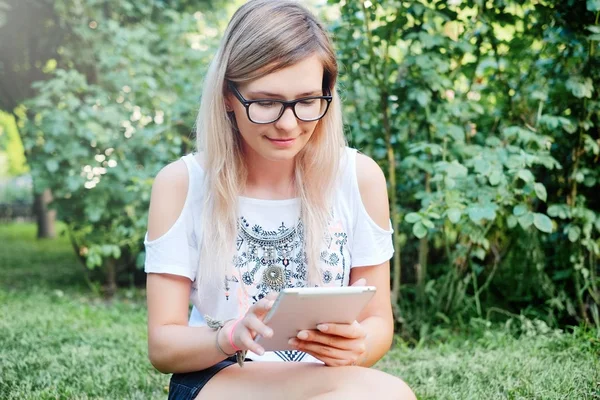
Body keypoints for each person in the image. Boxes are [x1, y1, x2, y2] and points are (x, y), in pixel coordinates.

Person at [144, 1, 416, 399]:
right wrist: (231, 336)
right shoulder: (181, 184)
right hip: (222, 376)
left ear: (328, 94)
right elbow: (163, 346)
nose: (288, 124)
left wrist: (355, 344)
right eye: (266, 102)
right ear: (227, 96)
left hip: (320, 378)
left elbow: (378, 323)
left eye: (308, 101)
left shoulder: (359, 178)